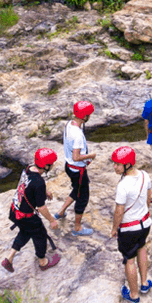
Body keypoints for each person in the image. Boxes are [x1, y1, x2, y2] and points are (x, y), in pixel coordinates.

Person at [1, 148, 61, 273]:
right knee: (40, 235)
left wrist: (45, 192)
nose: (53, 165)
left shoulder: (29, 168)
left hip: (15, 210)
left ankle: (9, 258)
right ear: (46, 166)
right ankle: (43, 262)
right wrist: (52, 220)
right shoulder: (39, 182)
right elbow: (41, 207)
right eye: (52, 163)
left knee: (25, 232)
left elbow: (28, 185)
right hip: (27, 216)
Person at [110, 146, 152, 303]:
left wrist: (115, 228)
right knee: (142, 248)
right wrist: (143, 211)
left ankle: (133, 295)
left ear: (127, 164)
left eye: (118, 164)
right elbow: (149, 197)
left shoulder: (122, 186)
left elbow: (119, 211)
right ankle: (144, 284)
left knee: (129, 260)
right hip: (145, 223)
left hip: (129, 228)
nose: (115, 167)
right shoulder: (144, 175)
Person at [54, 101, 96, 236]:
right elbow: (77, 157)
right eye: (89, 114)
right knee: (82, 198)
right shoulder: (77, 134)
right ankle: (77, 228)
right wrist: (91, 155)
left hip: (69, 167)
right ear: (84, 117)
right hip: (78, 170)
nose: (90, 116)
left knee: (76, 190)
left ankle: (60, 212)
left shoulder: (69, 124)